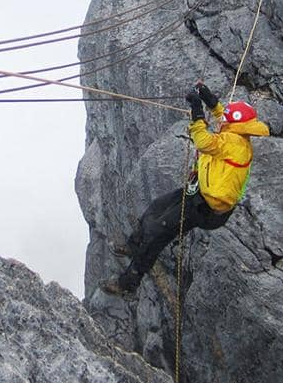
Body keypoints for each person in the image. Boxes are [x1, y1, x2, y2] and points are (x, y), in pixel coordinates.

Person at [101, 82, 271, 296]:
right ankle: (133, 245)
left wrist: (197, 111)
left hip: (206, 209)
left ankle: (127, 284)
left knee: (157, 234)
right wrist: (210, 101)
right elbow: (223, 118)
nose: (223, 121)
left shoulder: (235, 144)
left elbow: (203, 142)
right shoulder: (236, 133)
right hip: (198, 194)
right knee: (156, 207)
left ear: (235, 124)